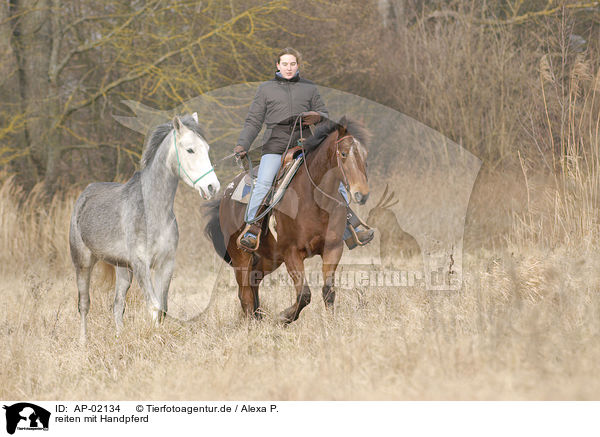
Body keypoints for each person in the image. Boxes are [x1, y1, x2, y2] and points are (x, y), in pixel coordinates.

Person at [233, 47, 374, 251]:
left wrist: (317, 116)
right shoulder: (265, 89)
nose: (288, 68)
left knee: (337, 182)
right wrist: (242, 144)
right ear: (277, 66)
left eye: (292, 64)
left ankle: (352, 227)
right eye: (285, 64)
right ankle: (252, 228)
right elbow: (254, 120)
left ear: (297, 66)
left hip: (306, 144)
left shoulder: (309, 88)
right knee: (264, 183)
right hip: (275, 144)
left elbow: (324, 113)